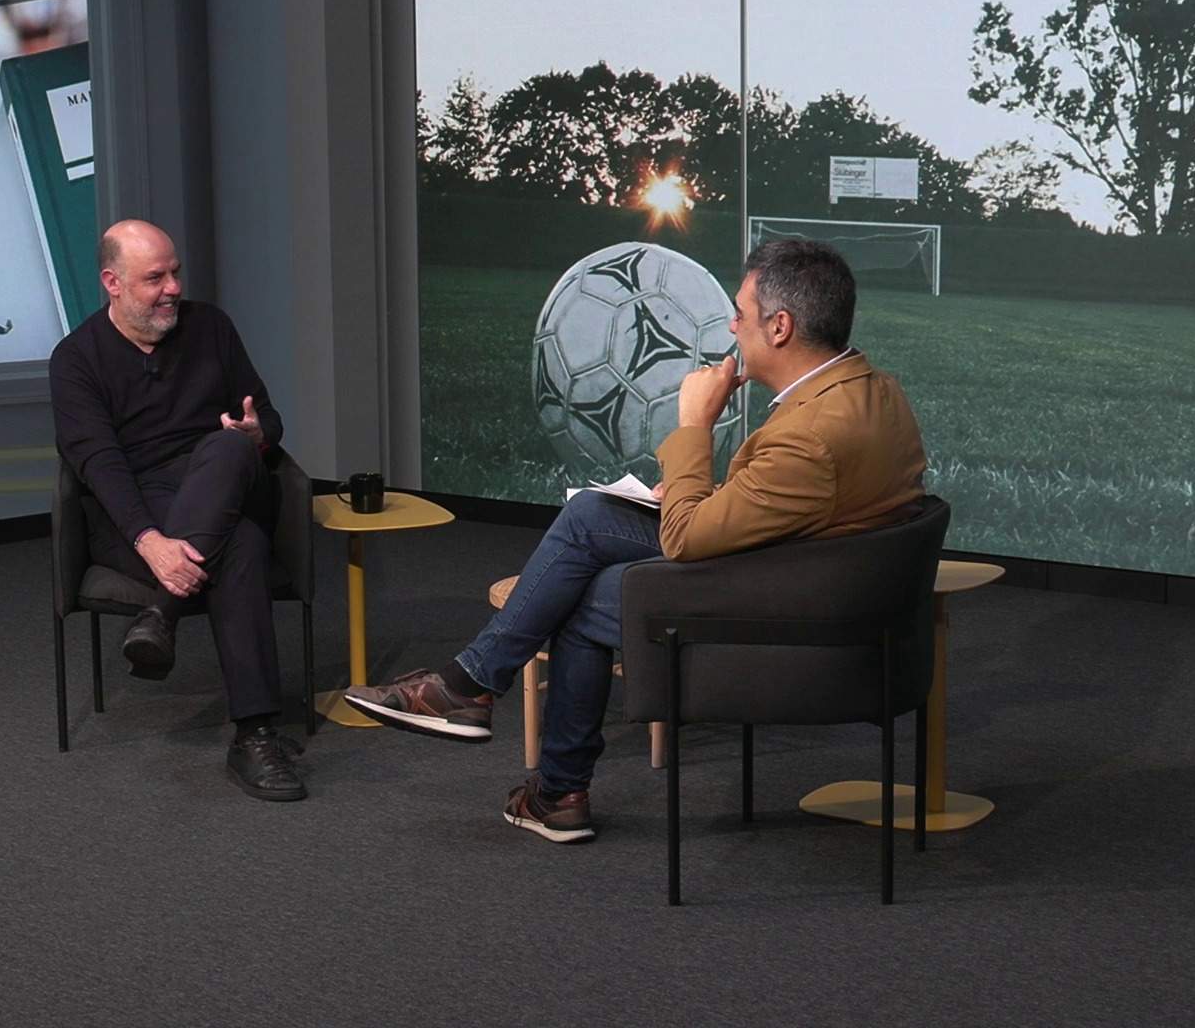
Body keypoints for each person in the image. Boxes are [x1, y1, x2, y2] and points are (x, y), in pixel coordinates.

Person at [344, 238, 928, 842]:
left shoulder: (811, 434)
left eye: (740, 314)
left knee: (582, 591)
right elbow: (789, 501)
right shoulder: (873, 390)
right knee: (592, 516)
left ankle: (516, 744)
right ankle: (494, 720)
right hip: (808, 572)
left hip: (781, 606)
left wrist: (694, 425)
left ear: (779, 327)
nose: (731, 326)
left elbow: (684, 538)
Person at [49, 219, 304, 802]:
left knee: (227, 446)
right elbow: (97, 462)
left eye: (175, 273)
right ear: (112, 282)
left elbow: (268, 416)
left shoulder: (210, 327)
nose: (172, 289)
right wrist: (149, 541)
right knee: (238, 546)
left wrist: (256, 433)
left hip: (227, 477)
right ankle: (256, 732)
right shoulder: (76, 359)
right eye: (154, 278)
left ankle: (161, 615)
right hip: (137, 511)